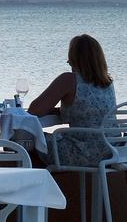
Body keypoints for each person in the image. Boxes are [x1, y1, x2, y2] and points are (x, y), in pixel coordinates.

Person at [29, 34, 116, 166]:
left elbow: (34, 110)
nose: (68, 62)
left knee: (25, 139)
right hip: (112, 151)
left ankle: (39, 184)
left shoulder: (69, 80)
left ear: (74, 59)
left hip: (83, 153)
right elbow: (87, 111)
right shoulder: (107, 82)